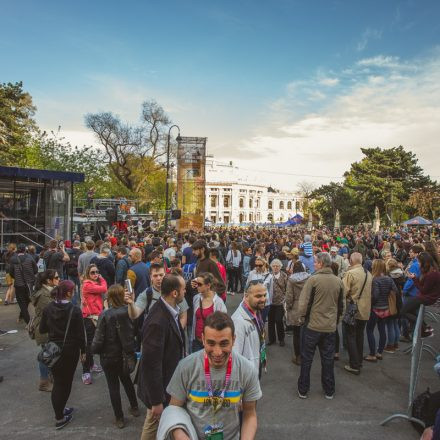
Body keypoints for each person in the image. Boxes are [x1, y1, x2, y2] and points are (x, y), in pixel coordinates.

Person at [164, 312, 262, 440]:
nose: (217, 352)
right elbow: (174, 409)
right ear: (203, 339)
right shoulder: (185, 367)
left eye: (223, 343)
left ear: (234, 340)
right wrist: (180, 435)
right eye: (211, 343)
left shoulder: (247, 370)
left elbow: (249, 414)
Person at [137, 273, 186, 440]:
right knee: (152, 425)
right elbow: (151, 364)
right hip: (159, 392)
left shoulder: (168, 310)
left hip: (167, 385)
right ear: (174, 293)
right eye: (183, 289)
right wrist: (157, 401)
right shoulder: (158, 321)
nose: (185, 292)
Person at [39, 280, 86, 430]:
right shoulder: (74, 310)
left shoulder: (48, 308)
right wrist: (84, 351)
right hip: (70, 351)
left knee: (59, 382)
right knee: (65, 384)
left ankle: (60, 411)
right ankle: (59, 417)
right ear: (69, 293)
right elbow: (80, 334)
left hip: (53, 350)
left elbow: (42, 329)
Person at [297, 252, 344, 400]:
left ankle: (303, 389)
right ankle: (329, 390)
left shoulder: (313, 280)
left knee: (307, 359)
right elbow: (342, 305)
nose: (314, 264)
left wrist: (301, 317)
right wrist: (336, 321)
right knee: (328, 360)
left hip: (312, 326)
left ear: (321, 264)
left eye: (316, 262)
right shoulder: (338, 281)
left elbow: (303, 303)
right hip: (329, 326)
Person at [91, 284, 139, 429]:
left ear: (110, 298)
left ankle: (119, 418)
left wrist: (93, 350)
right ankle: (134, 407)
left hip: (109, 356)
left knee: (113, 387)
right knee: (127, 381)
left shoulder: (105, 315)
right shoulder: (130, 311)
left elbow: (98, 339)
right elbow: (135, 331)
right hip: (125, 355)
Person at [341, 252, 372, 375]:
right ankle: (358, 361)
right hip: (365, 309)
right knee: (359, 336)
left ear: (351, 261)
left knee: (351, 336)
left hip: (353, 309)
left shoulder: (350, 273)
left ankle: (354, 364)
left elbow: (343, 291)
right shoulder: (368, 273)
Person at [31, 269, 60, 391]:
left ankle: (49, 377)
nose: (59, 279)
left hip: (48, 328)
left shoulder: (48, 291)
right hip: (44, 330)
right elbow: (52, 312)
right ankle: (44, 382)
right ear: (49, 281)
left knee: (50, 353)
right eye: (57, 277)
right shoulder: (44, 295)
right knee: (46, 356)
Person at [364, 259, 398, 362]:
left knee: (369, 330)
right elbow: (395, 290)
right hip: (385, 308)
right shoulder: (388, 279)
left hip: (375, 308)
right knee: (382, 329)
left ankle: (372, 354)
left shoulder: (375, 280)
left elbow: (375, 295)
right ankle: (379, 352)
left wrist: (370, 301)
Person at [232, 280, 267, 377]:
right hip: (245, 378)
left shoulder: (256, 310)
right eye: (258, 296)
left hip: (255, 367)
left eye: (264, 295)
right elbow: (235, 356)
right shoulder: (238, 322)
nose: (263, 299)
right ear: (246, 296)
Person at [401, 252, 440, 338]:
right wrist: (415, 278)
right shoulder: (430, 271)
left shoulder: (432, 274)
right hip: (425, 297)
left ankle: (425, 327)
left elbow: (423, 290)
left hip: (426, 298)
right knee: (409, 310)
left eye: (419, 262)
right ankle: (425, 328)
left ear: (424, 262)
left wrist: (414, 279)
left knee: (403, 311)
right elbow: (424, 285)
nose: (418, 264)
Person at [81, 264, 108, 385]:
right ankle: (85, 371)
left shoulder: (93, 283)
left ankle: (91, 365)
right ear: (88, 273)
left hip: (97, 315)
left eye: (97, 272)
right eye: (92, 272)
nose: (95, 274)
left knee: (93, 342)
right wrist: (101, 278)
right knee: (89, 344)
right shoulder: (87, 285)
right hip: (90, 317)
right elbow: (104, 288)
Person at [191, 272, 227, 353]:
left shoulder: (218, 303)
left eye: (200, 284)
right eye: (196, 283)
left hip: (211, 343)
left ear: (208, 285)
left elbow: (223, 324)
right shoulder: (196, 298)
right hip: (196, 342)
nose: (197, 286)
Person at [286, 261, 310, 365]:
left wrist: (288, 307)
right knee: (305, 333)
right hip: (306, 307)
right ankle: (306, 355)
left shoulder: (291, 280)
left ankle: (298, 356)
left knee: (296, 334)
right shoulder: (309, 278)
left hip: (295, 308)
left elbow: (289, 296)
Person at [8, 243, 38, 324]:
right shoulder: (30, 257)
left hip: (18, 284)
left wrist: (16, 277)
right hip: (30, 284)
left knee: (22, 303)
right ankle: (25, 319)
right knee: (28, 299)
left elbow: (11, 272)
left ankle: (28, 322)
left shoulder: (13, 259)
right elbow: (36, 270)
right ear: (25, 250)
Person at [267, 258, 288, 346]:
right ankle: (272, 339)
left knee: (279, 320)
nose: (275, 268)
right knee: (270, 321)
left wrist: (286, 298)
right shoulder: (268, 276)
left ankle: (281, 339)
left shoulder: (284, 275)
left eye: (277, 266)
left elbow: (287, 288)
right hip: (270, 302)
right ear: (271, 267)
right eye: (274, 266)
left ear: (280, 267)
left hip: (280, 302)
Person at [246, 256, 273, 322]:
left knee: (261, 323)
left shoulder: (269, 276)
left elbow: (270, 290)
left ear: (265, 265)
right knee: (253, 322)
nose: (257, 267)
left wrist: (269, 303)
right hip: (253, 302)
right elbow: (247, 287)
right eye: (256, 265)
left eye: (260, 265)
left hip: (264, 303)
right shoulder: (251, 273)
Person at [66, 240, 82, 305]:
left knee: (72, 289)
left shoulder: (68, 252)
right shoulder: (81, 253)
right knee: (80, 288)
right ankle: (81, 302)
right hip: (78, 273)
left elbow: (66, 263)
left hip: (70, 272)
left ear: (73, 245)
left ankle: (73, 303)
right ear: (79, 245)